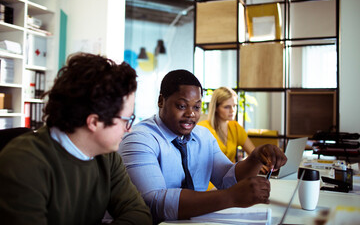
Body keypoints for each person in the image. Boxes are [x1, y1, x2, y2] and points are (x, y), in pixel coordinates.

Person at [0, 53, 152, 224]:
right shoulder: (24, 162)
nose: (129, 129)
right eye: (126, 120)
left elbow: (139, 214)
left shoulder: (107, 157)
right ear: (94, 122)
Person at [118, 69, 287, 224]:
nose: (191, 114)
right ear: (161, 101)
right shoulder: (139, 138)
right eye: (182, 106)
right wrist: (230, 197)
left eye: (197, 107)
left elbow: (226, 179)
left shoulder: (203, 136)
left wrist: (256, 158)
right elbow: (155, 202)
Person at [198, 87, 255, 163]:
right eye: (227, 107)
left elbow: (254, 153)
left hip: (232, 174)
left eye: (234, 106)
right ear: (216, 108)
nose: (232, 110)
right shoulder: (202, 129)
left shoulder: (235, 127)